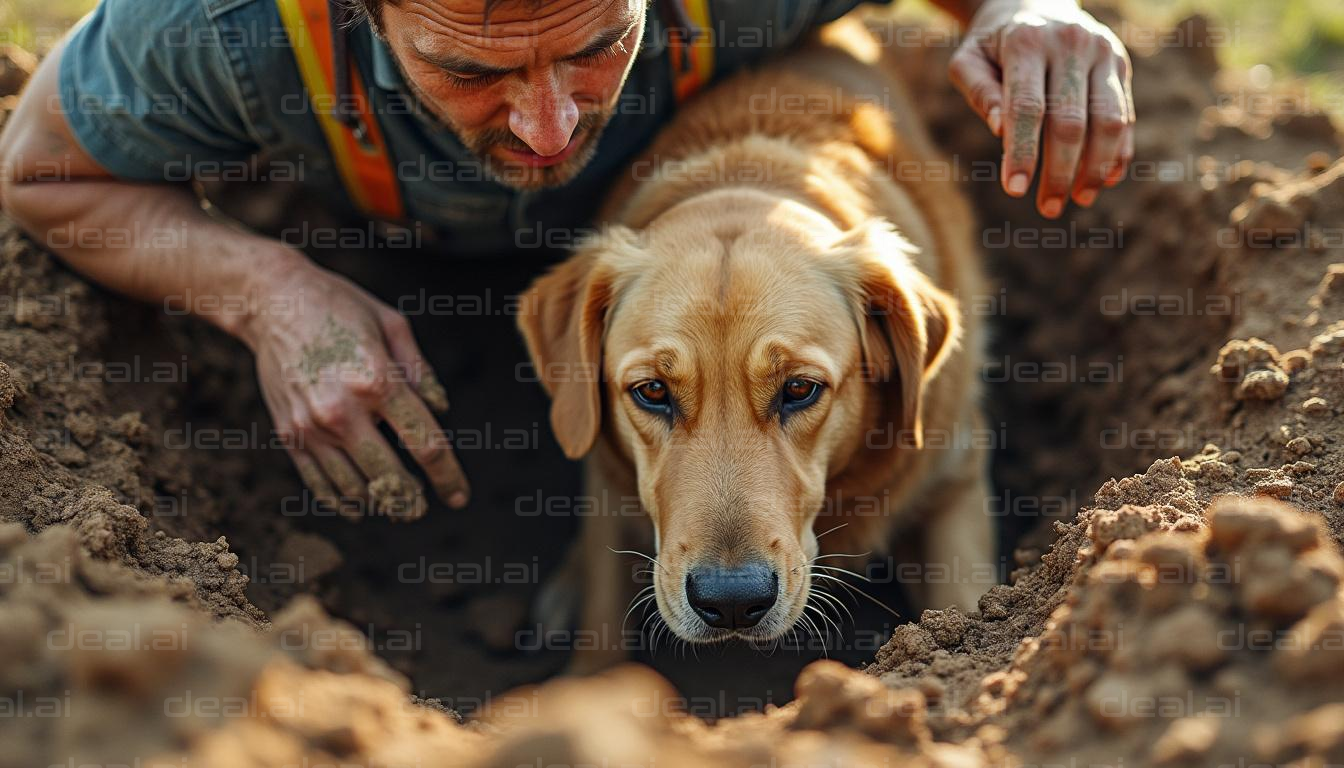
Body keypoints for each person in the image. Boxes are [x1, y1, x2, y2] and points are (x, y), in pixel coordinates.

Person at [0, 0, 1133, 514]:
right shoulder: (216, 27)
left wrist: (1023, 10)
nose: (546, 127)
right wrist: (267, 289)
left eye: (597, 48)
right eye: (471, 71)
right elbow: (43, 172)